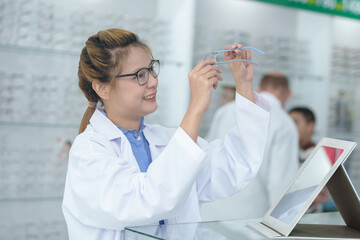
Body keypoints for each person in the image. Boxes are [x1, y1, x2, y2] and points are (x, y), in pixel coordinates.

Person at [62, 28, 270, 239]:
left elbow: (234, 166)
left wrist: (243, 83)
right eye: (139, 76)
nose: (153, 81)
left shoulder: (165, 140)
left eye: (151, 69)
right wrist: (195, 107)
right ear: (102, 89)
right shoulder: (88, 152)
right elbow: (148, 200)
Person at [201, 71, 299, 220]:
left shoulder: (225, 110)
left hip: (210, 213)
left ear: (259, 88)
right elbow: (280, 183)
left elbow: (208, 156)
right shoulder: (284, 123)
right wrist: (285, 225)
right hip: (247, 220)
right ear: (288, 94)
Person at [288, 107, 331, 212]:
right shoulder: (292, 151)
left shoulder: (318, 155)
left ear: (310, 126)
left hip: (307, 217)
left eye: (295, 122)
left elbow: (322, 195)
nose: (290, 127)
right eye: (288, 123)